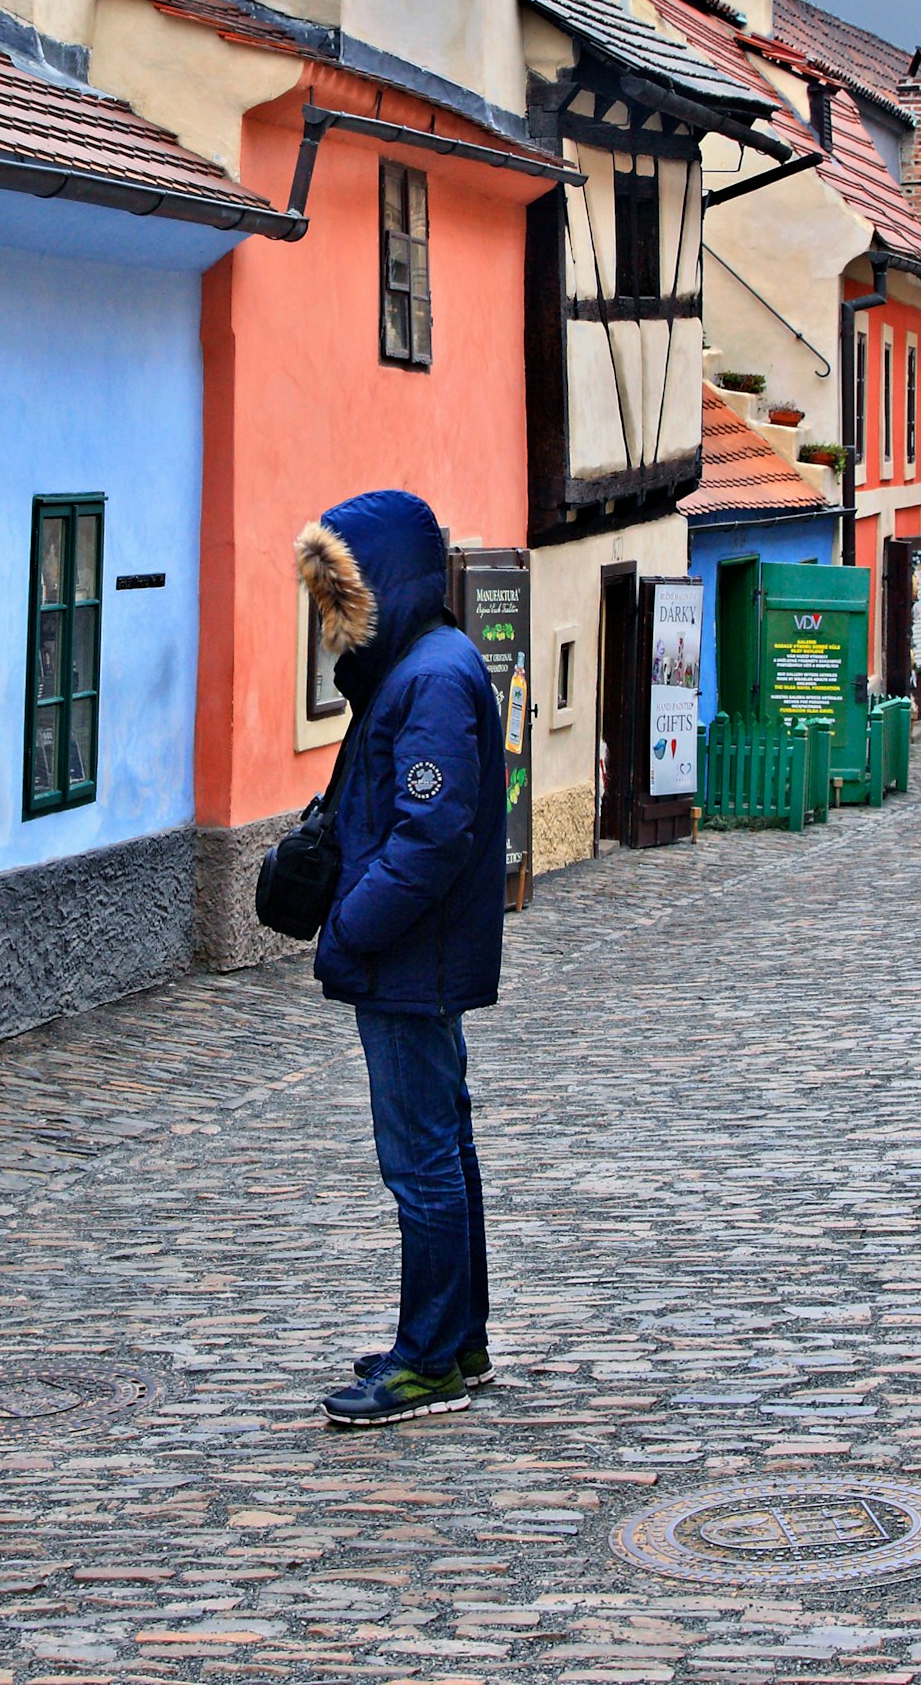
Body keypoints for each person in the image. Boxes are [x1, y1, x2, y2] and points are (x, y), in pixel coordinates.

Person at [295, 490, 510, 1427]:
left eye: (341, 599)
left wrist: (348, 932)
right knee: (443, 1149)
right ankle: (454, 1337)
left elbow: (429, 837)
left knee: (420, 1159)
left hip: (408, 963)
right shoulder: (426, 665)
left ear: (381, 586)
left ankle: (428, 1363)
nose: (330, 624)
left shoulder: (427, 679)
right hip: (415, 959)